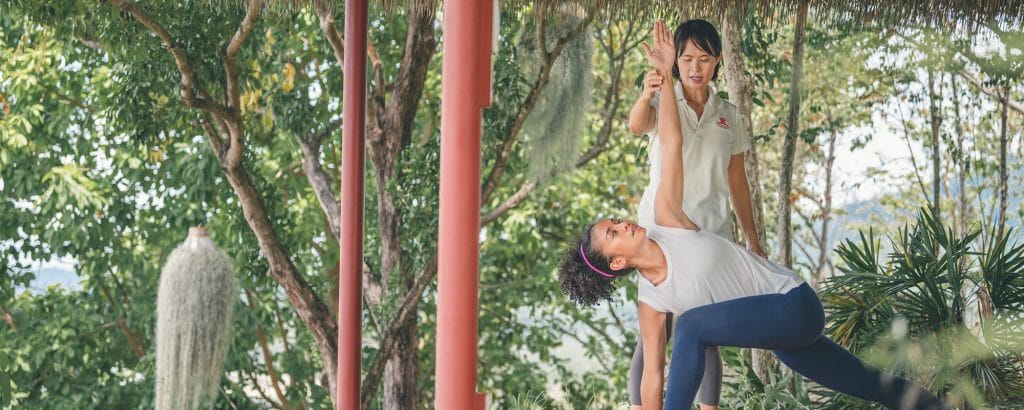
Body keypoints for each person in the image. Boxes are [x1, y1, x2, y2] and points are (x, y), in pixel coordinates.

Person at [557, 20, 947, 410]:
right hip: (782, 333)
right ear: (619, 260)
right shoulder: (651, 300)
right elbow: (652, 377)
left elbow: (672, 142)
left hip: (793, 303)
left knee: (693, 325)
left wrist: (665, 69)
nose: (623, 222)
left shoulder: (667, 219)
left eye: (614, 221)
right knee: (864, 382)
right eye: (613, 233)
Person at [625, 18, 764, 410]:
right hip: (663, 235)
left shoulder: (729, 114)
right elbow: (637, 126)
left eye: (704, 58)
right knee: (657, 330)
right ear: (675, 62)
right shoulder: (662, 100)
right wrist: (646, 91)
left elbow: (738, 182)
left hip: (710, 235)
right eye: (686, 59)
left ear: (717, 61)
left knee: (705, 329)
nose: (694, 67)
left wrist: (752, 239)